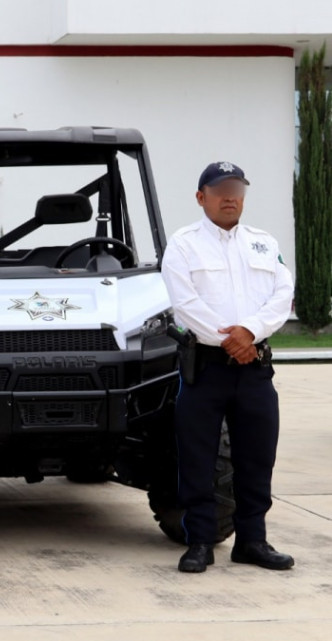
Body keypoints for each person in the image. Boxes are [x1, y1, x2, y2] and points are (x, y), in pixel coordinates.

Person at [161, 161, 295, 573]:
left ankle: (252, 541)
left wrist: (249, 333)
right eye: (221, 189)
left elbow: (282, 293)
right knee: (198, 459)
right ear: (202, 197)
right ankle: (200, 541)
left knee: (257, 457)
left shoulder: (262, 242)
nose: (231, 196)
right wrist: (230, 341)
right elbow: (185, 304)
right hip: (207, 369)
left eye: (237, 188)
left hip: (254, 367)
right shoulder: (183, 245)